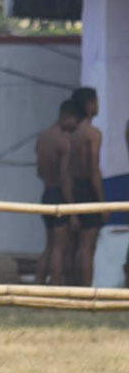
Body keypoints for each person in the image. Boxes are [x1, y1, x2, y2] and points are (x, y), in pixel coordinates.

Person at [33, 100, 80, 287]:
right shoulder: (63, 142)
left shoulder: (42, 138)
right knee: (60, 247)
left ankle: (37, 283)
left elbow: (39, 171)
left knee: (49, 246)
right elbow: (65, 178)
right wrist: (72, 211)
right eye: (75, 121)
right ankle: (56, 287)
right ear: (67, 117)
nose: (75, 127)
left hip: (46, 193)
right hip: (59, 195)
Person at [68, 86, 105, 286]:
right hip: (88, 190)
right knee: (87, 247)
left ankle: (74, 288)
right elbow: (94, 169)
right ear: (89, 105)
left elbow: (67, 170)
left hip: (74, 189)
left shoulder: (71, 135)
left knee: (75, 246)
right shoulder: (92, 134)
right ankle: (86, 291)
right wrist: (101, 201)